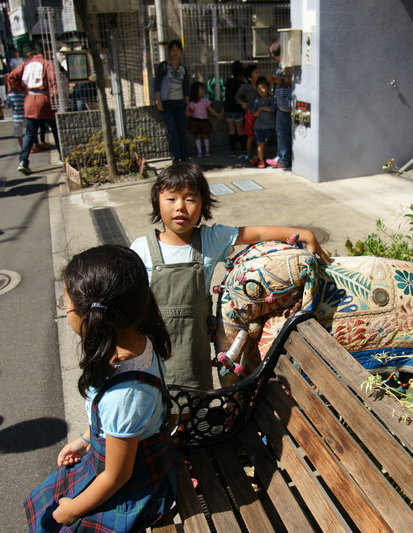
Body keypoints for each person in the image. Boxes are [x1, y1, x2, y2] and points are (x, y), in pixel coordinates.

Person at [129, 162, 331, 389]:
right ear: (157, 201)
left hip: (194, 359)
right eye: (171, 198)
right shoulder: (141, 249)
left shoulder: (209, 239)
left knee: (194, 404)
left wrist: (305, 234)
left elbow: (257, 233)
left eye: (190, 199)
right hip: (151, 357)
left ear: (203, 205)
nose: (180, 207)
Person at [23, 245, 178, 532]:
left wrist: (72, 510)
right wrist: (86, 439)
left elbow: (116, 477)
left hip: (134, 486)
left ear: (86, 315)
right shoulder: (136, 337)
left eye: (65, 303)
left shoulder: (124, 396)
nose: (65, 309)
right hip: (119, 458)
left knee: (54, 519)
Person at [7, 48, 61, 175]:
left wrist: (22, 90)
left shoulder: (26, 64)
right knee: (56, 129)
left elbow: (11, 77)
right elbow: (54, 80)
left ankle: (23, 160)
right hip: (45, 99)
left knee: (30, 133)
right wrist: (55, 94)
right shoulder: (47, 64)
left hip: (30, 98)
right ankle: (63, 157)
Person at [153, 39, 190, 162]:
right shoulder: (164, 66)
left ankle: (184, 155)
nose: (175, 52)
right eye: (173, 50)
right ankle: (175, 155)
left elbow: (186, 88)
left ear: (181, 52)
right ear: (169, 51)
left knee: (181, 130)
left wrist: (187, 105)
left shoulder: (183, 68)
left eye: (177, 50)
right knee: (172, 129)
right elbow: (157, 84)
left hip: (180, 102)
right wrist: (158, 100)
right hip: (167, 102)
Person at [266, 37, 293, 170]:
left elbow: (289, 80)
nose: (273, 56)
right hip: (283, 102)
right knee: (283, 130)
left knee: (282, 131)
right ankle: (283, 157)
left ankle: (283, 158)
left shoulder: (286, 64)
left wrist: (275, 79)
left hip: (284, 103)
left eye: (274, 53)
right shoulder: (286, 62)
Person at [187, 81, 223, 158]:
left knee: (206, 136)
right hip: (196, 121)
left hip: (204, 121)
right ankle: (199, 151)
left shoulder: (205, 100)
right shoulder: (192, 102)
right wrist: (188, 114)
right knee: (198, 136)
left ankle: (207, 150)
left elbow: (211, 110)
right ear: (196, 91)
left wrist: (218, 115)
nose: (203, 91)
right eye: (201, 89)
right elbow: (191, 112)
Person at [250, 76, 276, 169]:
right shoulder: (257, 100)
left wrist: (262, 108)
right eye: (258, 88)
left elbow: (272, 109)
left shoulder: (271, 99)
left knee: (264, 144)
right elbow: (253, 112)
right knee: (260, 143)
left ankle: (258, 158)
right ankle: (261, 161)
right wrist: (256, 113)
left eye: (263, 87)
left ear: (268, 88)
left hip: (269, 127)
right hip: (258, 127)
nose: (261, 90)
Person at [235, 65, 259, 162]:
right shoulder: (245, 87)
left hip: (260, 113)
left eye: (258, 72)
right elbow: (237, 97)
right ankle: (248, 154)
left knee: (260, 135)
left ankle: (259, 155)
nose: (258, 74)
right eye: (255, 72)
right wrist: (242, 103)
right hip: (250, 113)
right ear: (250, 77)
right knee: (251, 135)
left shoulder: (261, 85)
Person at [223, 61, 246, 156]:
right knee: (240, 131)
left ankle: (233, 151)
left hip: (228, 109)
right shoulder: (242, 84)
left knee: (231, 131)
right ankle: (243, 150)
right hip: (238, 110)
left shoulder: (228, 82)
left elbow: (225, 97)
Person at [4, 73, 26, 148]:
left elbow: (7, 106)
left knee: (19, 134)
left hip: (16, 117)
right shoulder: (24, 93)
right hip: (25, 115)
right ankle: (30, 147)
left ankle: (22, 147)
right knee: (27, 133)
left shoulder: (10, 95)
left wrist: (4, 105)